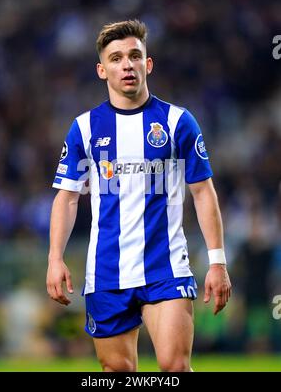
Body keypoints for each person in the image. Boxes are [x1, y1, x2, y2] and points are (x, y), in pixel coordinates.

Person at [46, 19, 231, 372]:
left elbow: (203, 193)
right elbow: (67, 198)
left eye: (134, 55)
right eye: (116, 58)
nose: (126, 65)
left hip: (166, 268)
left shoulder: (178, 122)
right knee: (118, 372)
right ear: (102, 70)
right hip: (106, 272)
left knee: (175, 367)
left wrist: (217, 261)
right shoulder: (84, 127)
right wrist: (55, 258)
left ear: (148, 64)